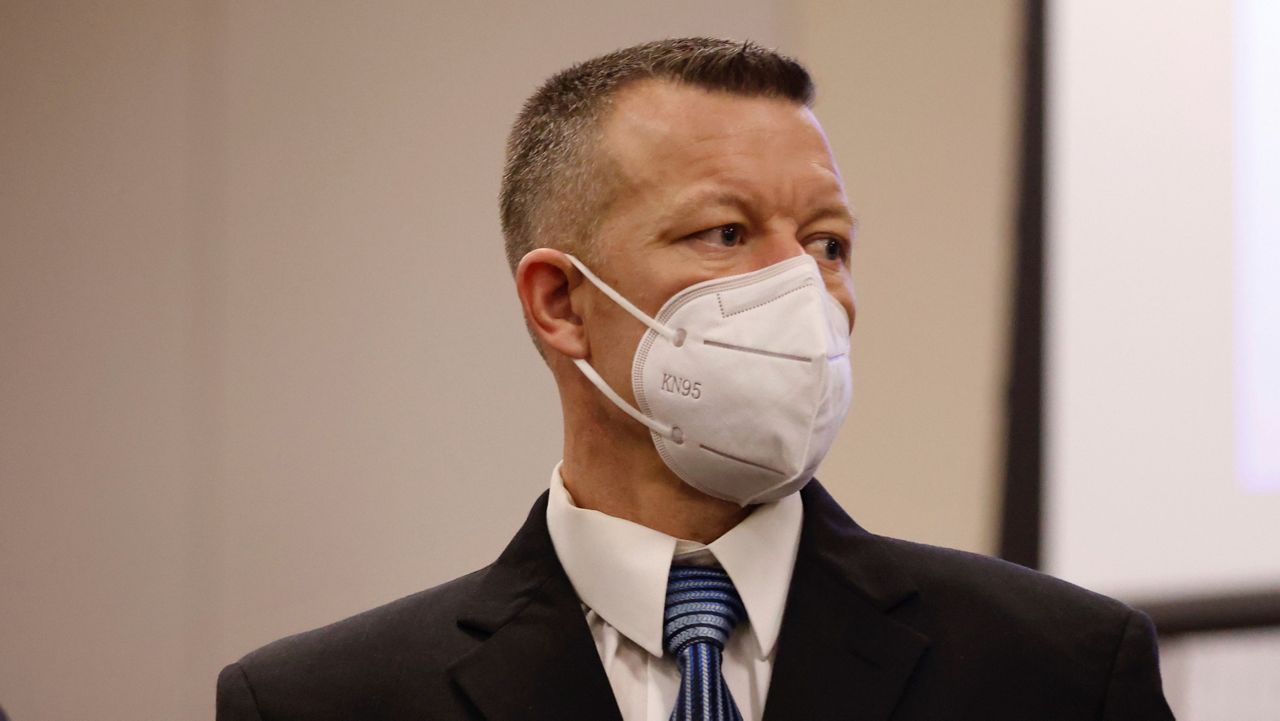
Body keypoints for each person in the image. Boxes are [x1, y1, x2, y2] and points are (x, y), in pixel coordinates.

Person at [216, 38, 1174, 720]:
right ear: (559, 302)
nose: (802, 286)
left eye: (827, 243)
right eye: (726, 232)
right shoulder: (326, 702)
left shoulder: (1059, 669)